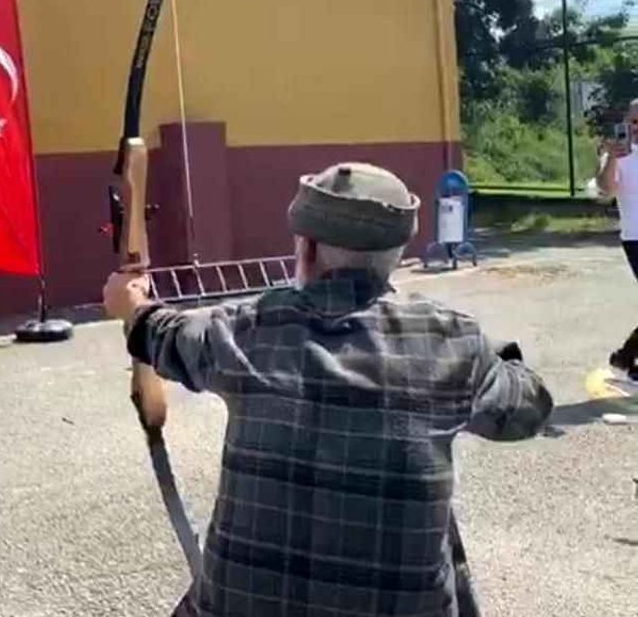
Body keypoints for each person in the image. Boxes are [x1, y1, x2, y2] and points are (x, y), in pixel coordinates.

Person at [103, 163, 553, 617]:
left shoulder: (248, 329)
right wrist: (489, 355)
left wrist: (132, 302)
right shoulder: (451, 342)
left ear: (307, 247)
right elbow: (528, 409)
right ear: (396, 253)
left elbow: (162, 334)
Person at [595, 98, 638, 380]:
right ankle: (627, 357)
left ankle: (625, 356)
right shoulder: (618, 155)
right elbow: (606, 189)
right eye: (633, 121)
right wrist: (611, 157)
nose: (637, 127)